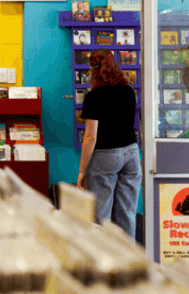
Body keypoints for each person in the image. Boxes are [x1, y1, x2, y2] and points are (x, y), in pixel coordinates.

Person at [77, 49, 141, 238]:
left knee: (100, 215)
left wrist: (82, 170)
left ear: (93, 69)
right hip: (131, 154)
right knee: (127, 213)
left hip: (106, 156)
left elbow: (91, 137)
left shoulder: (94, 96)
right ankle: (128, 261)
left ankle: (104, 261)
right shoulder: (129, 90)